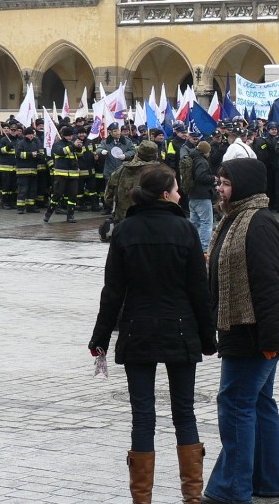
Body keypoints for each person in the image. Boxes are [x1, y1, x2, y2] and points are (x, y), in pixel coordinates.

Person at [88, 164, 216, 504]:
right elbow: (198, 290)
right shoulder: (185, 229)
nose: (180, 194)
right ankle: (192, 497)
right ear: (164, 194)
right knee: (184, 413)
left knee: (142, 416)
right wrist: (208, 337)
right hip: (180, 327)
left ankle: (142, 499)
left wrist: (100, 337)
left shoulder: (126, 231)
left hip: (137, 329)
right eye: (176, 189)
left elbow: (112, 292)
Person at [204, 158, 279, 504]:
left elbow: (271, 286)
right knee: (258, 402)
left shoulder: (258, 224)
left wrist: (271, 341)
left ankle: (231, 488)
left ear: (243, 186)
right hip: (247, 329)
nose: (220, 189)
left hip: (253, 332)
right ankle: (268, 481)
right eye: (219, 182)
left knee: (236, 403)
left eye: (226, 183)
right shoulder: (235, 219)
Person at [103, 140, 161, 222]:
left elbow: (108, 198)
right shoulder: (162, 173)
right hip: (153, 221)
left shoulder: (121, 171)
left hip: (124, 220)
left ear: (137, 154)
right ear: (156, 155)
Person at [186, 140, 216, 252]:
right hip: (202, 195)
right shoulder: (201, 161)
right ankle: (203, 249)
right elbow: (201, 177)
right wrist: (213, 178)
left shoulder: (192, 158)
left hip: (192, 195)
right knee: (207, 223)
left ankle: (191, 244)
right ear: (206, 151)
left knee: (194, 222)